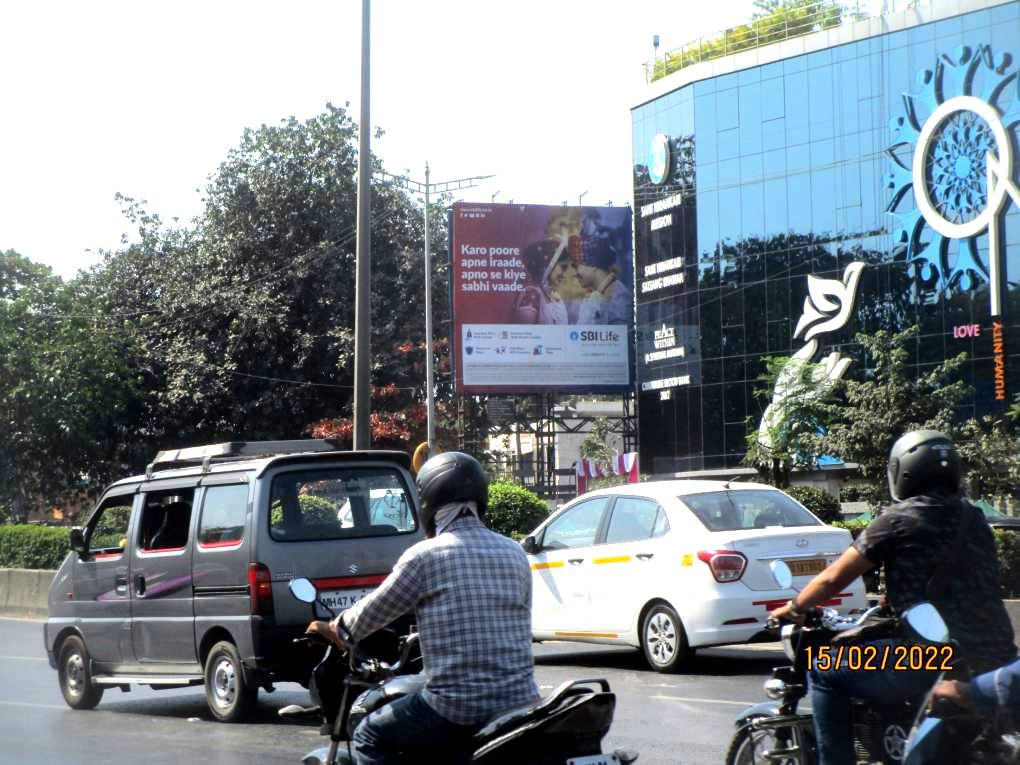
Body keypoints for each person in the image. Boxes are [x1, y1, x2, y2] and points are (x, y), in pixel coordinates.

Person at [769, 430, 1016, 765]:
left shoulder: (898, 519)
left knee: (824, 670)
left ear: (903, 471)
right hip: (997, 653)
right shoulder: (974, 518)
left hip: (932, 657)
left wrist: (794, 607)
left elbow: (832, 579)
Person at [306, 452, 539, 764]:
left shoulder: (425, 556)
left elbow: (369, 615)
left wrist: (335, 628)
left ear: (428, 500)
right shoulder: (514, 553)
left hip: (457, 709)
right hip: (520, 702)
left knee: (367, 734)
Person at [510, 237, 570, 324]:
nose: (565, 274)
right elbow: (523, 335)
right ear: (548, 265)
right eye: (563, 268)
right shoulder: (531, 295)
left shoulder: (554, 297)